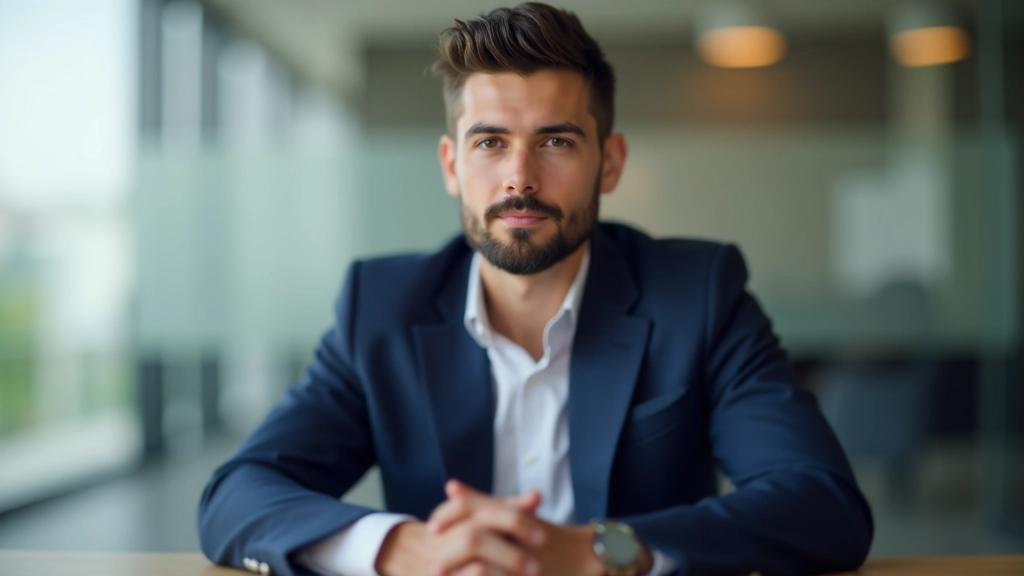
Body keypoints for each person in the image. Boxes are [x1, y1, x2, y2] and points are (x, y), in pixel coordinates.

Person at [197, 3, 873, 576]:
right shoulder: (380, 307)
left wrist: (595, 553)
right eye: (490, 143)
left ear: (609, 163)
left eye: (555, 141)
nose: (519, 177)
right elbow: (237, 496)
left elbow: (822, 504)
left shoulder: (697, 295)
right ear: (451, 165)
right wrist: (409, 548)